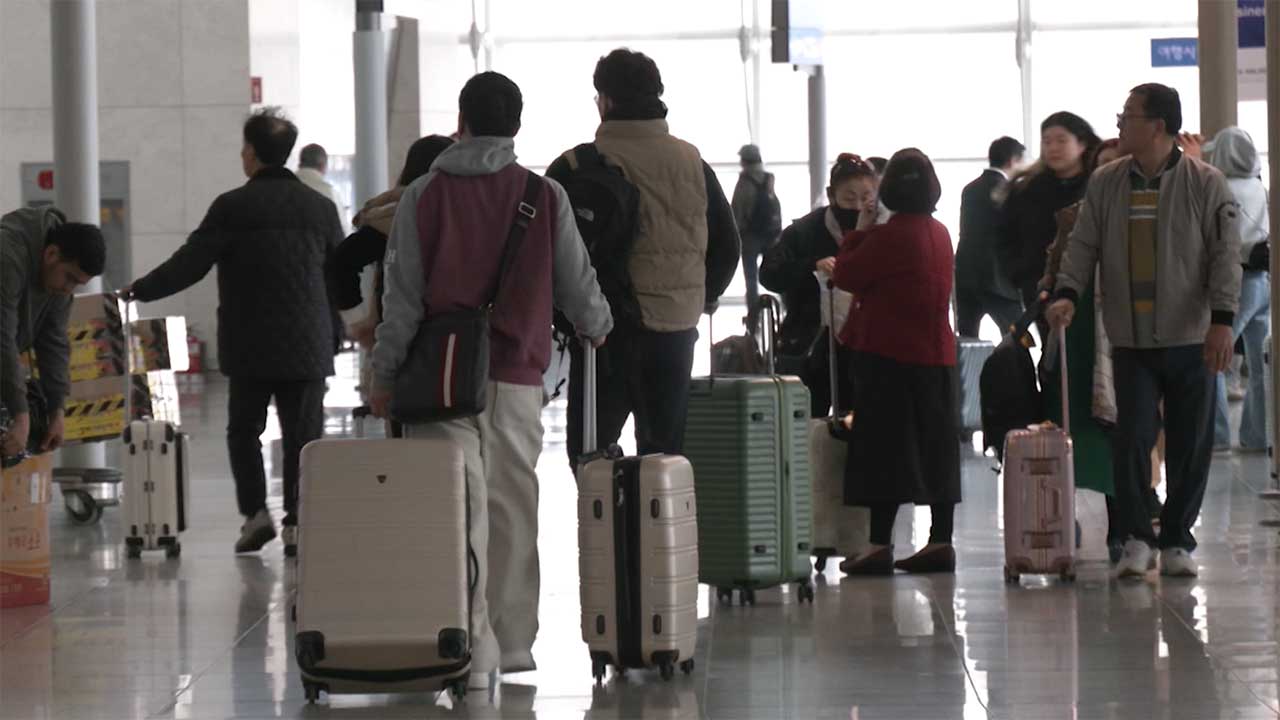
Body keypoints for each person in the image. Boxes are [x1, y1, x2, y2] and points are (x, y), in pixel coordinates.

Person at [371, 72, 612, 689]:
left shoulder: (423, 196)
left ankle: (465, 641)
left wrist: (383, 373)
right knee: (511, 508)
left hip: (440, 378)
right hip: (515, 376)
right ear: (516, 125)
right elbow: (577, 279)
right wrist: (598, 325)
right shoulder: (543, 194)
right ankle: (511, 644)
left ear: (462, 122)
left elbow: (402, 297)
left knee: (456, 510)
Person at [125, 108, 344, 557]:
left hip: (250, 344)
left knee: (244, 431)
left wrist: (140, 290)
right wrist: (338, 331)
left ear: (251, 153)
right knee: (304, 436)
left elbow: (190, 263)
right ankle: (299, 523)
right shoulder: (320, 208)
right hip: (308, 344)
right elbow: (339, 274)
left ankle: (256, 515)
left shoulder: (232, 206)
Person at [1047, 83, 1241, 579]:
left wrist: (1222, 321)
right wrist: (1067, 292)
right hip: (1129, 337)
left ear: (1157, 126)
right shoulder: (1107, 182)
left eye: (1128, 115)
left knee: (1189, 443)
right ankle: (1137, 537)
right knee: (1129, 440)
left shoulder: (1206, 183)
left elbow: (1225, 256)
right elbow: (1083, 243)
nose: (1119, 123)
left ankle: (1177, 539)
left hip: (1191, 335)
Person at [547, 48, 739, 466]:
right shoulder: (693, 162)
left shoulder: (576, 166)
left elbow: (548, 255)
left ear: (605, 100)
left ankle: (611, 512)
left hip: (603, 337)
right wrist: (698, 298)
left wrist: (567, 317)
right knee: (664, 457)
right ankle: (657, 511)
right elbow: (728, 246)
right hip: (674, 334)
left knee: (591, 457)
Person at [832, 149, 961, 576]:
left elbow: (846, 275)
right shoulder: (940, 232)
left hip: (889, 355)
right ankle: (941, 540)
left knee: (883, 449)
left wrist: (860, 229)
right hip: (938, 355)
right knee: (938, 449)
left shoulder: (890, 236)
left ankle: (878, 545)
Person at [760, 153, 879, 417]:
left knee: (858, 417)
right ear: (831, 195)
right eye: (849, 198)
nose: (858, 206)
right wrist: (811, 266)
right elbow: (769, 274)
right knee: (808, 417)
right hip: (810, 341)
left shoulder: (880, 230)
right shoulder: (804, 231)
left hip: (863, 342)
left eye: (866, 198)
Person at [327, 135, 455, 349]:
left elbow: (341, 262)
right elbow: (341, 262)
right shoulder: (400, 216)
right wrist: (359, 323)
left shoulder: (393, 215)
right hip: (447, 334)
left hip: (396, 334)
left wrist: (357, 321)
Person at [0, 209, 105, 457]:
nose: (68, 289)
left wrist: (57, 410)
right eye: (69, 278)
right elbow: (2, 336)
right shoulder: (6, 257)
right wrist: (21, 415)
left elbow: (54, 343)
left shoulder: (57, 283)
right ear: (51, 254)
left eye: (77, 284)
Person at [998, 113, 1102, 340]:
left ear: (1082, 144)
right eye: (1046, 141)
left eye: (1061, 140)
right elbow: (1005, 238)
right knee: (1052, 350)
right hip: (1039, 289)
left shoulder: (1098, 185)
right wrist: (1021, 275)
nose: (1053, 148)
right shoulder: (1026, 190)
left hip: (1089, 289)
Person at [1202, 127, 1270, 451]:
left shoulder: (1222, 188)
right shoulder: (1260, 187)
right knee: (1260, 364)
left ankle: (1217, 437)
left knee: (1214, 359)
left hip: (1236, 283)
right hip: (1265, 280)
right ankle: (1257, 436)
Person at [954, 136, 1025, 338]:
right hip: (1000, 280)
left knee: (968, 341)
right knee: (1018, 338)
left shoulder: (970, 189)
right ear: (1012, 161)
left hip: (966, 276)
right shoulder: (1011, 191)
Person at [731, 144, 782, 326]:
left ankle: (754, 317)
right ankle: (784, 310)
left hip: (750, 237)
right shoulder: (769, 179)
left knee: (751, 280)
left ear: (744, 160)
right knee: (777, 274)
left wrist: (736, 235)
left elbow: (737, 210)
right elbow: (776, 206)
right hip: (771, 236)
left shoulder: (744, 182)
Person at [296, 143, 348, 233]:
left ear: (300, 164)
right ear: (323, 165)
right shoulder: (330, 193)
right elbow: (342, 231)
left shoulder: (283, 188)